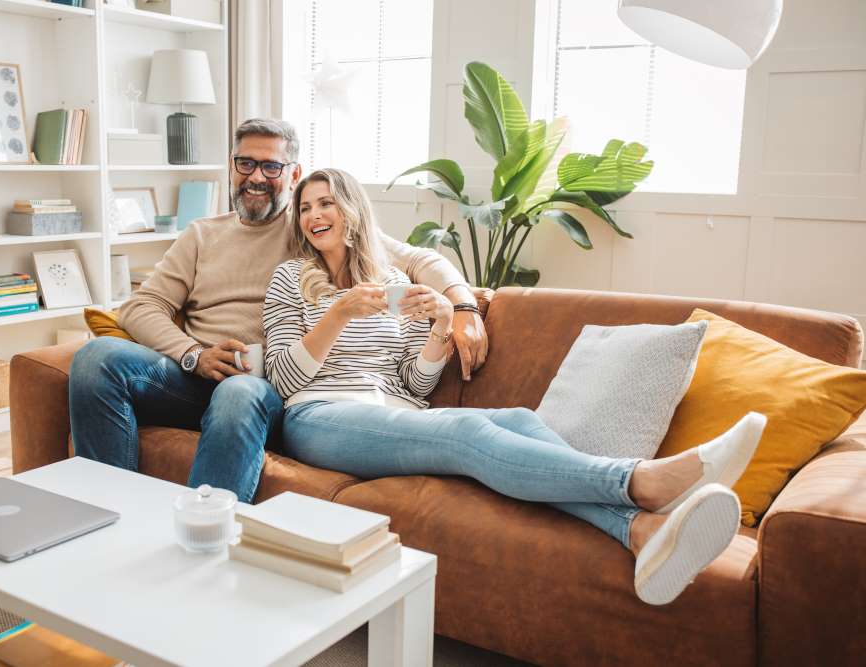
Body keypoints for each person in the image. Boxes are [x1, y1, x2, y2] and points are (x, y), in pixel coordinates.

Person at [263, 168, 767, 605]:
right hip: (319, 414)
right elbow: (284, 378)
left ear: (352, 209)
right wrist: (337, 313)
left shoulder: (394, 280)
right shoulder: (290, 279)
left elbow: (413, 386)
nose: (314, 215)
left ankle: (641, 531)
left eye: (326, 202)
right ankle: (641, 481)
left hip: (393, 410)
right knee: (465, 434)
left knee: (519, 421)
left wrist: (441, 322)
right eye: (306, 207)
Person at [68, 119, 488, 503]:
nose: (255, 177)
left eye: (271, 167)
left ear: (293, 174)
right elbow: (142, 307)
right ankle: (108, 510)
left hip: (263, 384)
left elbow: (418, 260)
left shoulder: (313, 227)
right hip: (194, 376)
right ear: (231, 167)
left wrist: (463, 306)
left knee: (238, 391)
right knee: (94, 358)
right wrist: (193, 353)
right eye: (245, 163)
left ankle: (207, 530)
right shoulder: (202, 235)